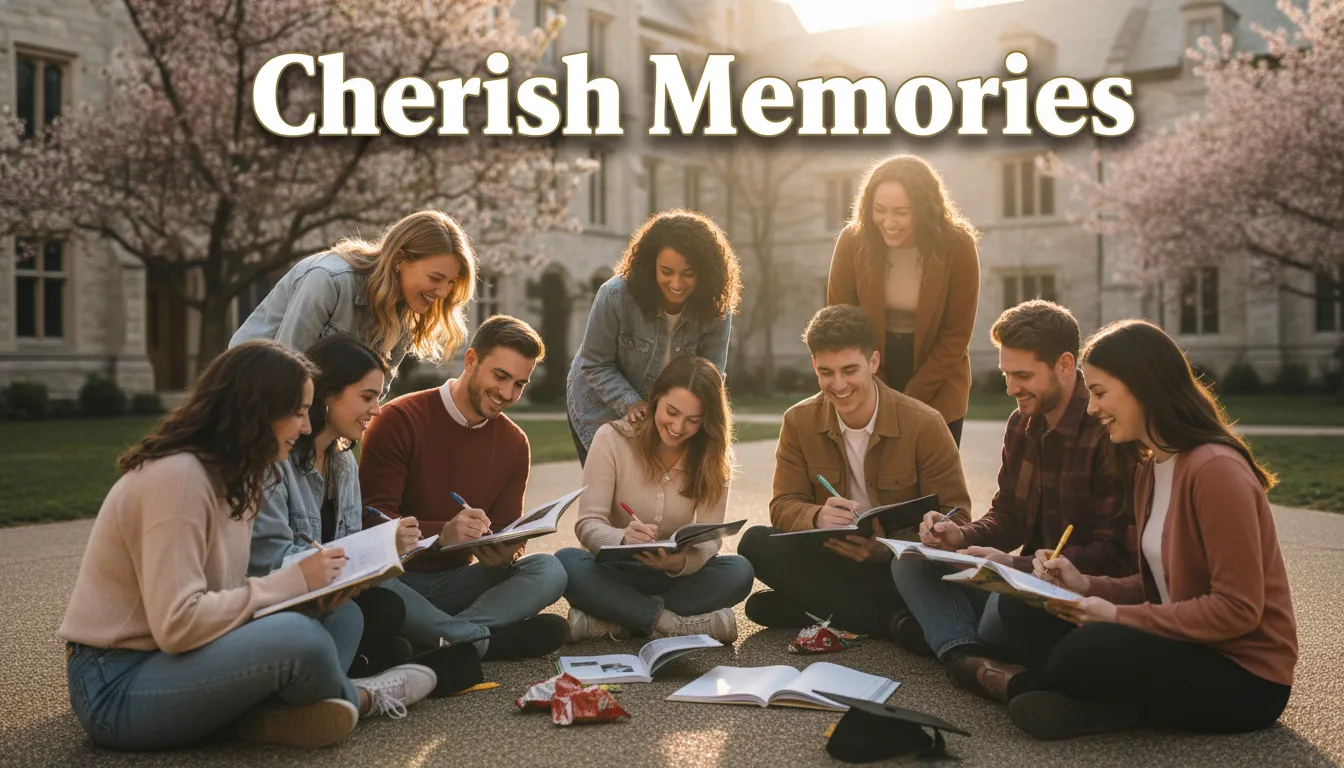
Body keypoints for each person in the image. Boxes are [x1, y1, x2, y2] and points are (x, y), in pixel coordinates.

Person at [59, 341, 435, 751]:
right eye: (297, 413)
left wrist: (313, 594)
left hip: (182, 659)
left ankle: (273, 716)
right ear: (257, 412)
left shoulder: (243, 477)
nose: (307, 427)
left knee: (340, 618)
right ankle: (361, 698)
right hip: (115, 684)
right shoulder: (178, 478)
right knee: (297, 638)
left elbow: (226, 597)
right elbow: (178, 625)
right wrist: (290, 583)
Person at [991, 320, 1297, 741]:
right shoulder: (1150, 469)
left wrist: (1117, 616)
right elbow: (1162, 588)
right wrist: (1087, 585)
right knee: (1024, 607)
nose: (1093, 408)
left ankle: (1014, 684)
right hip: (1180, 645)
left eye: (1100, 393)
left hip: (1243, 674)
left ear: (1143, 387)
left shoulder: (1215, 471)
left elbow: (1238, 609)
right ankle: (1097, 701)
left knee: (1091, 646)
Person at [895, 300, 1133, 697]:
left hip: (1063, 590)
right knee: (907, 564)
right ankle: (969, 659)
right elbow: (1008, 516)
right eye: (1006, 374)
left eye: (1022, 375)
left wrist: (1012, 564)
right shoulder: (1021, 423)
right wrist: (960, 536)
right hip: (1020, 579)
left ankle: (953, 646)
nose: (1010, 389)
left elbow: (1115, 553)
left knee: (998, 618)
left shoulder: (1105, 429)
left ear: (1064, 364)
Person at [248, 333, 476, 691]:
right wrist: (346, 566)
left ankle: (382, 666)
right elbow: (270, 563)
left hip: (335, 595)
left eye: (379, 398)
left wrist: (390, 544)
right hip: (290, 601)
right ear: (326, 393)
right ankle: (332, 693)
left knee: (386, 607)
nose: (377, 409)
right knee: (365, 614)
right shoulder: (275, 463)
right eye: (367, 397)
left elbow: (352, 544)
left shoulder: (342, 463)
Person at [738, 305, 971, 644]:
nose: (839, 384)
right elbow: (783, 505)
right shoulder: (798, 421)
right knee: (754, 542)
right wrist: (816, 516)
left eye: (850, 370)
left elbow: (959, 517)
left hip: (895, 566)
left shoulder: (925, 423)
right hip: (831, 557)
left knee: (763, 609)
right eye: (826, 372)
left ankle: (822, 607)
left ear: (873, 362)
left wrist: (885, 548)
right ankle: (885, 620)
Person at [359, 315, 569, 660]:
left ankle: (444, 637)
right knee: (369, 582)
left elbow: (504, 532)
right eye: (500, 376)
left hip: (457, 584)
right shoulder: (399, 419)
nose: (507, 393)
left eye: (519, 384)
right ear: (471, 360)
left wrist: (504, 555)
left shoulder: (515, 443)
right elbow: (370, 527)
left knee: (550, 570)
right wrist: (442, 534)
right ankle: (478, 641)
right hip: (395, 581)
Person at [557, 356, 754, 643]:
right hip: (617, 572)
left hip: (676, 577)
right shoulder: (611, 439)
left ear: (707, 421)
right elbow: (588, 525)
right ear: (655, 399)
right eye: (671, 412)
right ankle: (673, 624)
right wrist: (623, 538)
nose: (677, 426)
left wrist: (677, 563)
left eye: (693, 420)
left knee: (739, 571)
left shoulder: (713, 458)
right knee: (565, 563)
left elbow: (711, 538)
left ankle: (619, 622)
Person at [231, 210, 477, 395]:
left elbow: (371, 397)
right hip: (253, 399)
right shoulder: (328, 280)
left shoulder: (404, 313)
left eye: (451, 282)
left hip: (314, 414)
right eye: (436, 278)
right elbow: (285, 374)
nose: (444, 292)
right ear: (400, 260)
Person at [826, 154, 980, 446]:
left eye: (902, 212)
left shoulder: (957, 244)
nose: (889, 222)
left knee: (933, 484)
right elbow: (840, 322)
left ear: (926, 210)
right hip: (869, 368)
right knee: (874, 482)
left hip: (938, 373)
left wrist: (910, 397)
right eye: (880, 210)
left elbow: (956, 334)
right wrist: (876, 389)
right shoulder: (852, 241)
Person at [567, 209, 742, 465]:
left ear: (706, 272)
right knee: (614, 493)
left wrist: (687, 417)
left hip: (670, 412)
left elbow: (711, 373)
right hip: (600, 404)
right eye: (667, 271)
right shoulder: (615, 296)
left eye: (688, 273)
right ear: (651, 266)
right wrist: (631, 403)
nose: (677, 283)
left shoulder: (716, 308)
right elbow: (595, 363)